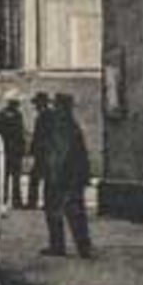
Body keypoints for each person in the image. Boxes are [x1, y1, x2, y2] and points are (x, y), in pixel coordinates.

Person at [40, 93, 94, 258]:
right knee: (75, 211)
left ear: (61, 106)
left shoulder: (62, 125)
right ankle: (82, 246)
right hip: (73, 175)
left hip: (63, 175)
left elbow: (60, 153)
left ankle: (60, 246)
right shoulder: (71, 124)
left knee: (58, 210)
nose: (55, 108)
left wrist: (53, 174)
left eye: (57, 105)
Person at [0, 93, 27, 208]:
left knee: (4, 175)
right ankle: (16, 200)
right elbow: (19, 134)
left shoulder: (1, 115)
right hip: (14, 150)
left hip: (5, 150)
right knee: (15, 176)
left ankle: (3, 198)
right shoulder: (17, 115)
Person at [26, 91, 52, 209]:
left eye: (37, 103)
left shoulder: (45, 116)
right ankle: (45, 202)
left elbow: (40, 135)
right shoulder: (46, 115)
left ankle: (34, 202)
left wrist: (34, 149)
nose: (35, 106)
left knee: (38, 177)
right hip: (44, 150)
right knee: (44, 177)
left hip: (44, 151)